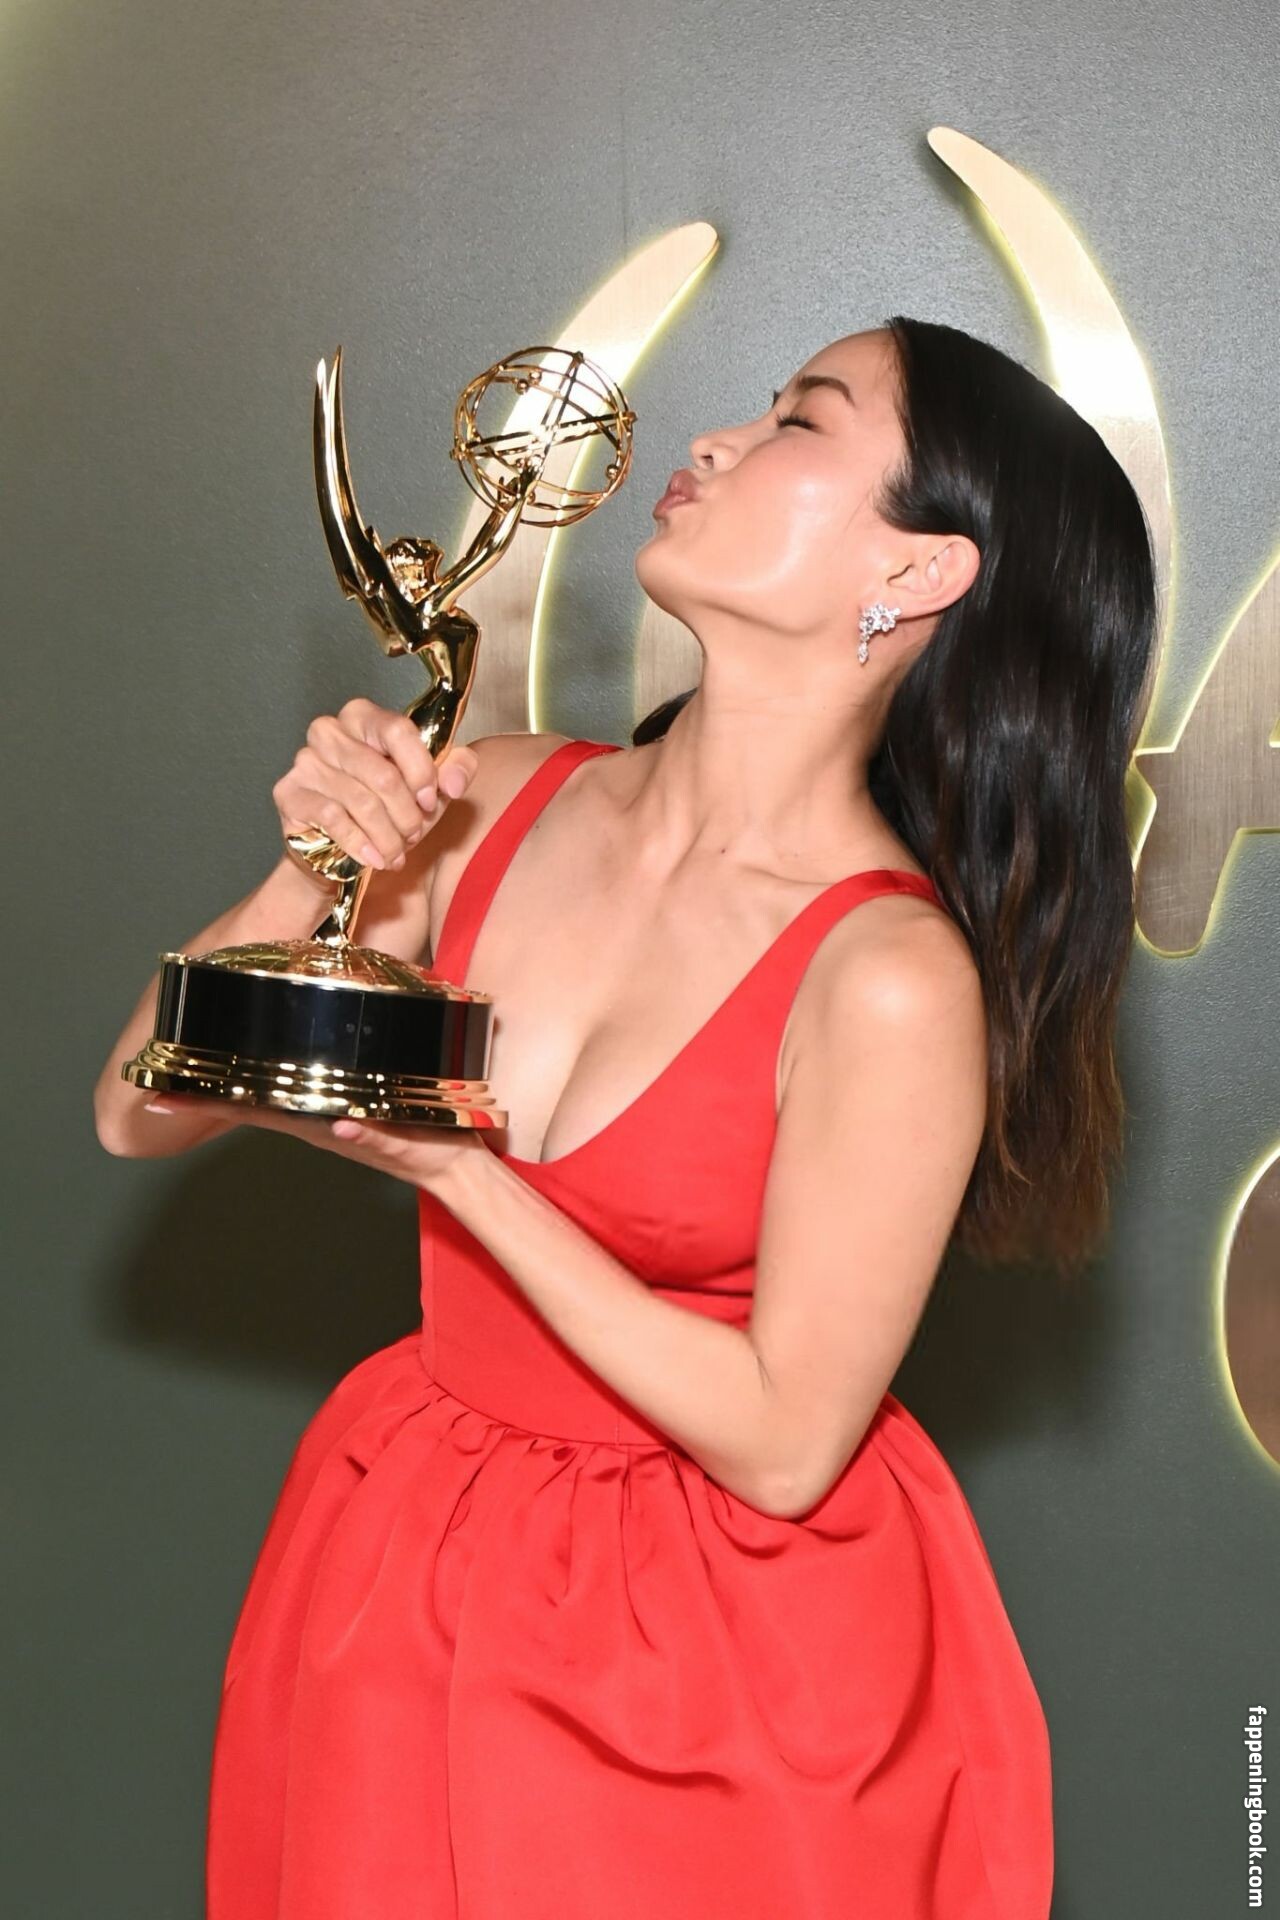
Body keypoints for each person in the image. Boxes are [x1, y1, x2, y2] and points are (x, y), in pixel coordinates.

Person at [94, 316, 1157, 1919]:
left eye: (802, 421)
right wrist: (314, 870)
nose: (716, 440)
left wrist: (463, 1175)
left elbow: (788, 1444)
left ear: (919, 569)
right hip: (406, 1559)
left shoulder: (887, 976)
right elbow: (135, 1111)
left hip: (713, 1658)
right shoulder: (488, 797)